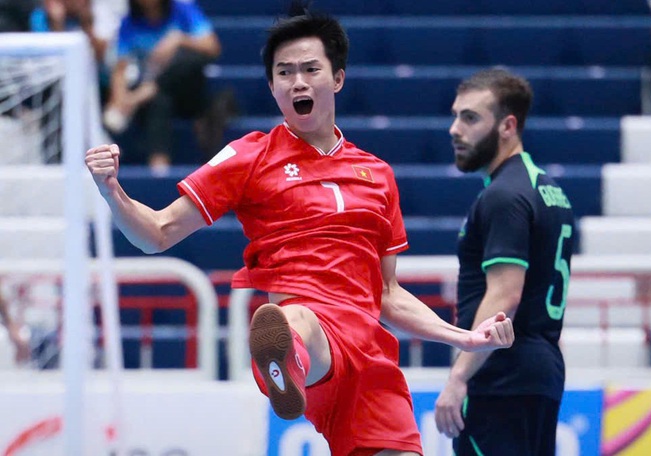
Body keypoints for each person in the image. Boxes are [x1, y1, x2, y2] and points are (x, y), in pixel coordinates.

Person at [85, 3, 515, 455]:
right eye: (284, 73)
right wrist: (113, 191)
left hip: (371, 357)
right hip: (311, 335)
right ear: (272, 87)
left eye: (311, 68)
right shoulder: (249, 157)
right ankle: (282, 365)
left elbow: (386, 293)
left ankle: (285, 362)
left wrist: (463, 336)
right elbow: (157, 232)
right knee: (294, 321)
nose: (298, 81)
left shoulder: (378, 175)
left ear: (338, 78)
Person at [434, 68, 575, 456]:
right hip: (539, 372)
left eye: (470, 117)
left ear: (508, 125)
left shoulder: (503, 196)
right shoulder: (548, 189)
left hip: (501, 378)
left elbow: (505, 296)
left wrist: (459, 377)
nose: (454, 129)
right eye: (455, 115)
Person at [103, 0, 233, 171]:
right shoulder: (129, 22)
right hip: (155, 96)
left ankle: (149, 90)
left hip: (189, 91)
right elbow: (120, 69)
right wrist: (120, 100)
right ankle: (159, 170)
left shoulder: (184, 10)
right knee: (160, 101)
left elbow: (212, 47)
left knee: (188, 59)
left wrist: (179, 39)